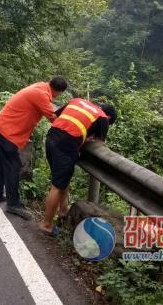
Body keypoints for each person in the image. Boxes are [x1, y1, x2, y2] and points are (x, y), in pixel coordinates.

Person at [0, 76, 68, 220]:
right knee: (13, 166)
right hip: (8, 132)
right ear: (58, 92)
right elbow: (53, 118)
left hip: (2, 126)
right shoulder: (41, 95)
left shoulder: (41, 87)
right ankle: (13, 204)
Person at [38, 98, 117, 236]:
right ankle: (46, 225)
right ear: (109, 117)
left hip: (51, 137)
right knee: (57, 185)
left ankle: (63, 211)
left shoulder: (78, 101)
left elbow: (55, 116)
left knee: (63, 180)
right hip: (66, 145)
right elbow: (99, 144)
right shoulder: (103, 118)